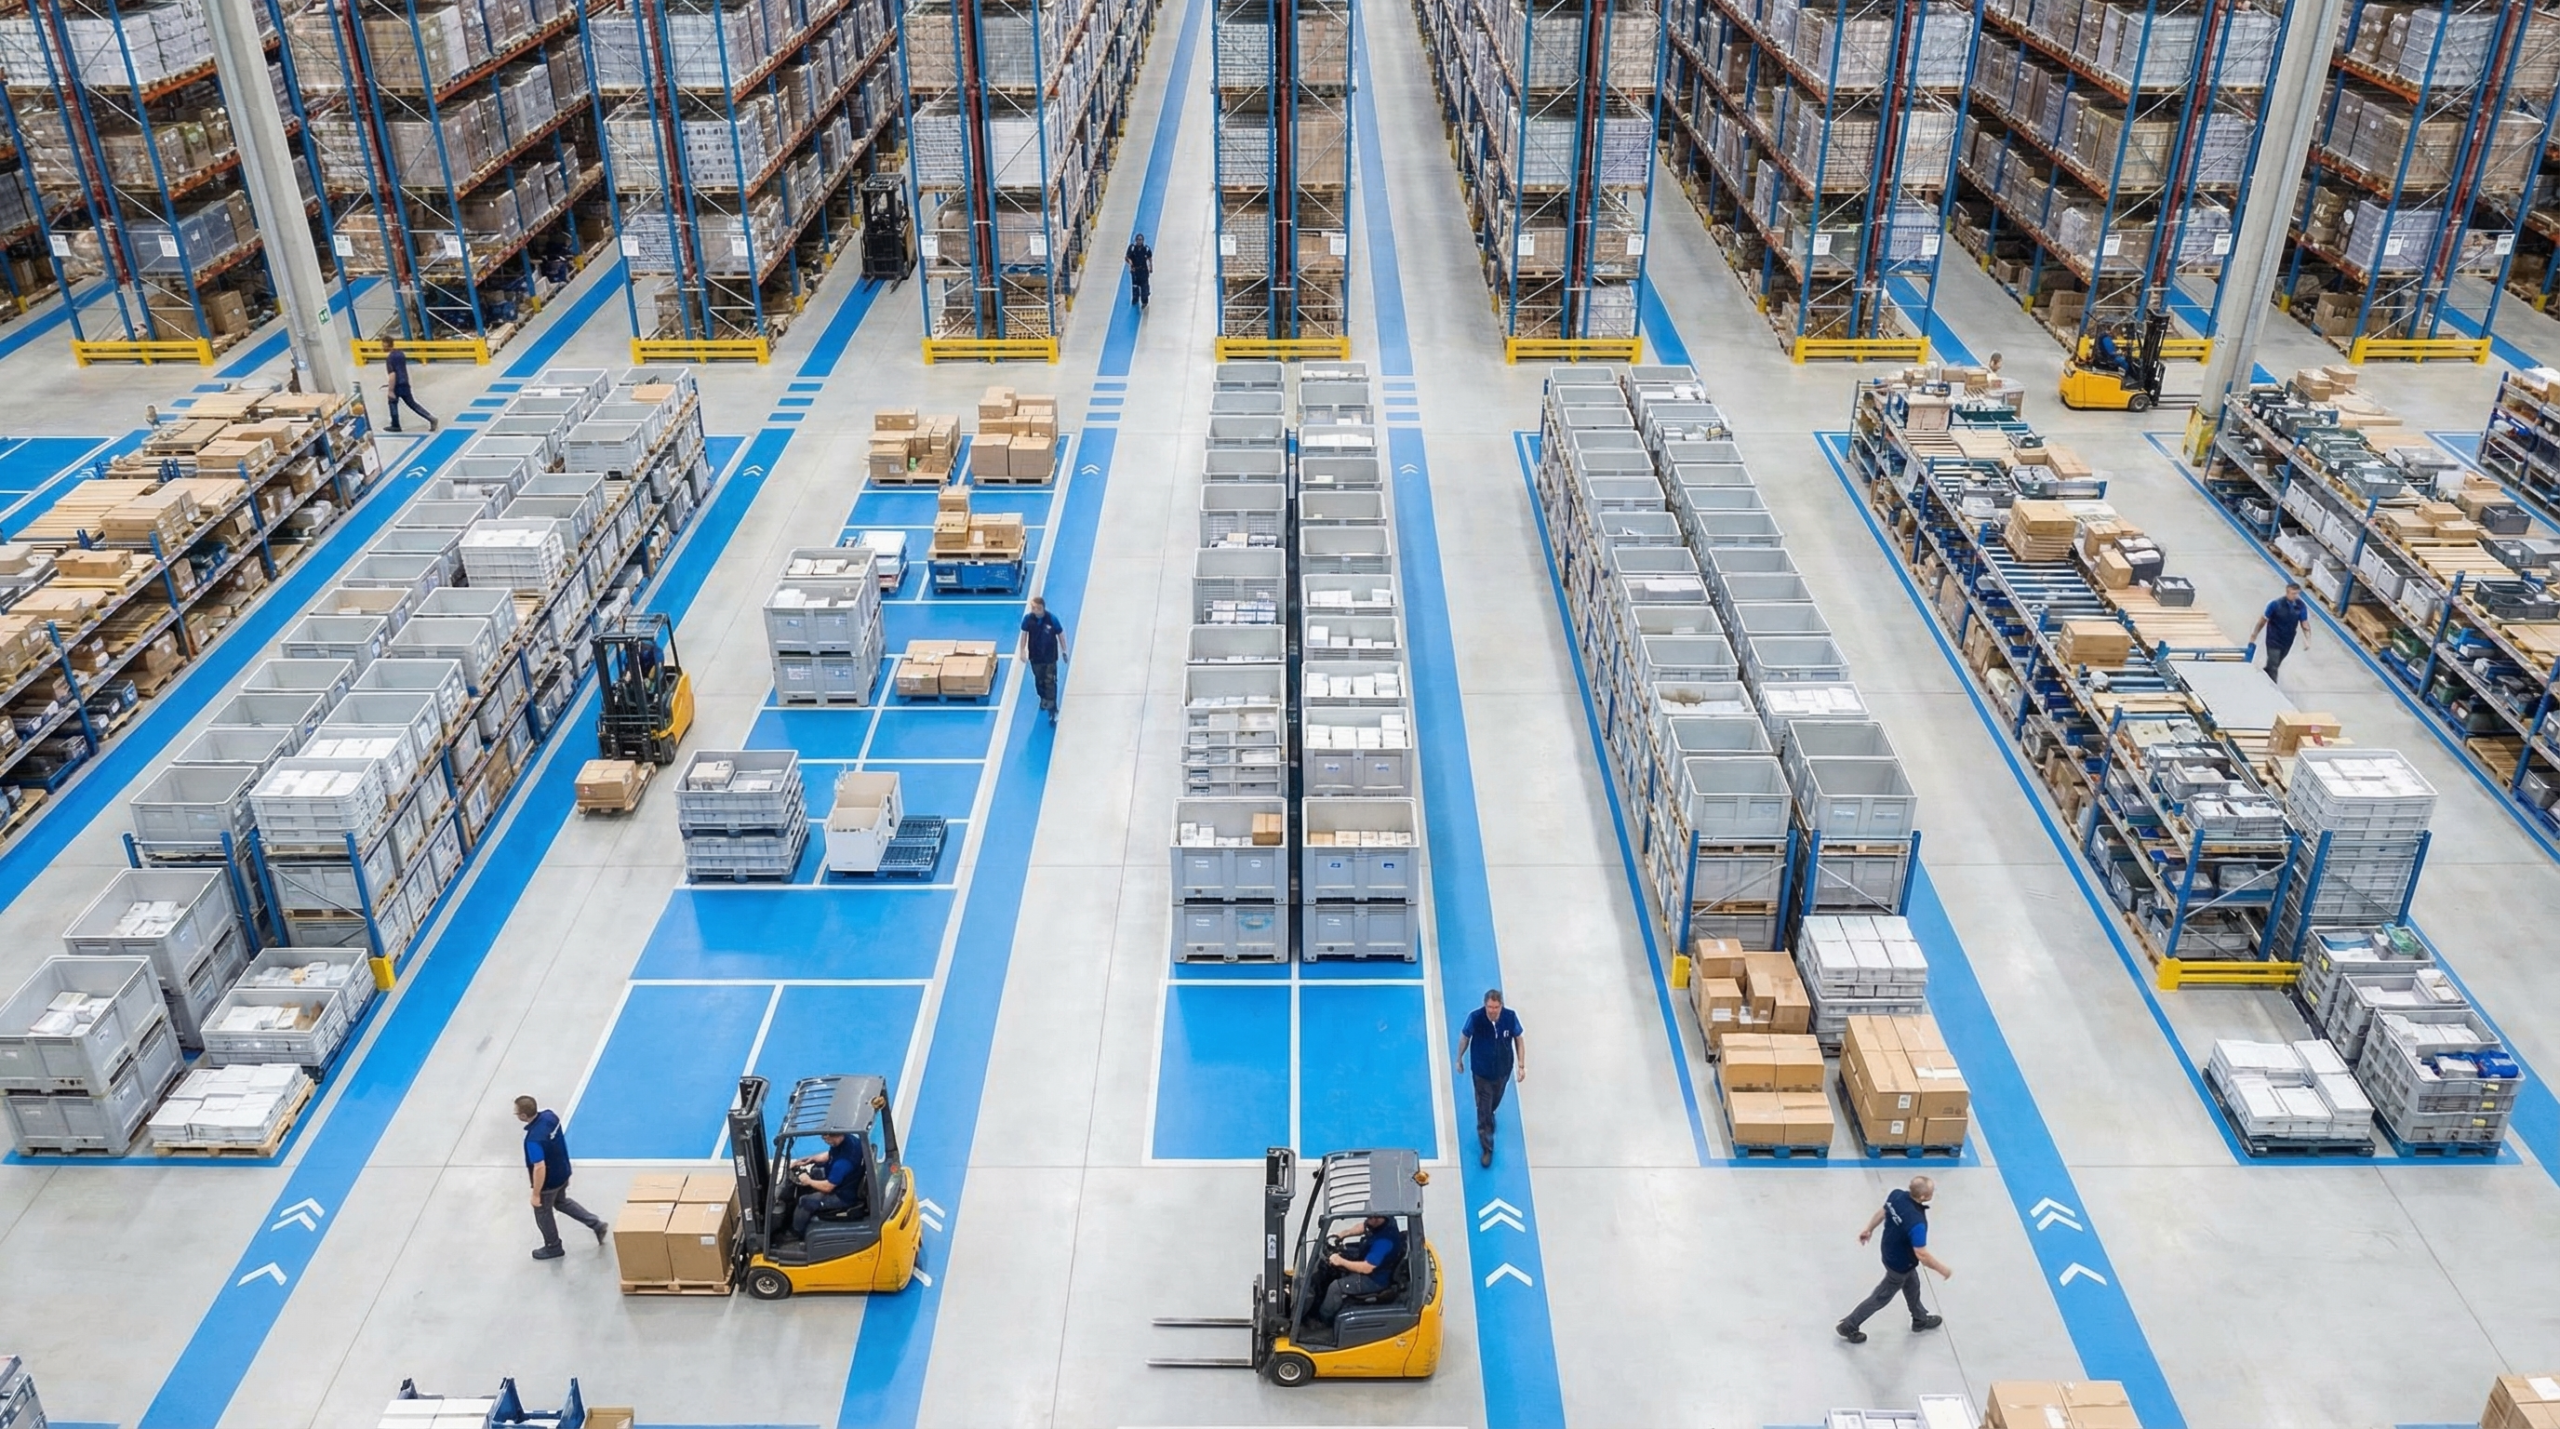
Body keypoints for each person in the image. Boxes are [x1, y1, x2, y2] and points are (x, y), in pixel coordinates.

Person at [1836, 1175, 1951, 1343]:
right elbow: (1922, 1254)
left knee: (1912, 1284)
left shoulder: (1896, 1196)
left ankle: (1919, 1318)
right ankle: (1849, 1325)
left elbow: (1883, 1212)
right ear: (1923, 1197)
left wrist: (1869, 1229)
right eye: (1932, 1191)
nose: (1933, 1193)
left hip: (1890, 1250)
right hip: (1899, 1264)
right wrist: (1942, 1270)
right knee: (1881, 1296)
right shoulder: (1917, 1223)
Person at [516, 1096, 605, 1261]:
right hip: (563, 1171)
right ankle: (596, 1224)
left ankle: (553, 1246)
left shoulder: (533, 1140)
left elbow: (539, 1167)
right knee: (561, 1202)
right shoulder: (550, 1116)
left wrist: (536, 1194)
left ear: (523, 1116)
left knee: (543, 1212)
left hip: (549, 1183)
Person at [1453, 988, 1526, 1168]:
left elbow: (1519, 1039)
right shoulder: (1475, 1018)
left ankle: (1490, 1113)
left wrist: (1521, 1064)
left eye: (1495, 1007)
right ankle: (1487, 1147)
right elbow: (1464, 1038)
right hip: (1482, 1073)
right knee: (1484, 1110)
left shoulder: (1510, 1017)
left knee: (1494, 1101)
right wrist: (1459, 1058)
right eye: (1489, 1007)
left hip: (1503, 1071)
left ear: (1501, 1006)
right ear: (1485, 1005)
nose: (1492, 1011)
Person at [1315, 1215, 1402, 1328]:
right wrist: (1343, 1234)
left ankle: (1323, 1321)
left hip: (1375, 1279)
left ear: (1379, 1217)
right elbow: (1364, 1226)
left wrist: (1341, 1261)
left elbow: (1367, 1268)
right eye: (1369, 1216)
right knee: (1338, 1262)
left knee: (1335, 1287)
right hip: (1373, 1265)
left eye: (1373, 1217)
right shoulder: (1386, 1221)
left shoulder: (1384, 1242)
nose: (1370, 1220)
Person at [788, 1130, 865, 1239]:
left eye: (825, 1138)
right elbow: (831, 1155)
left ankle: (796, 1233)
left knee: (805, 1201)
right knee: (815, 1170)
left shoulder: (843, 1163)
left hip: (842, 1196)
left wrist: (808, 1181)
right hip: (846, 1182)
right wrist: (812, 1159)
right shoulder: (848, 1139)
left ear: (830, 1136)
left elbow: (828, 1187)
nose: (824, 1140)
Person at [2249, 580, 2312, 681]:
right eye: (2293, 593)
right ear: (2287, 592)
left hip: (2287, 641)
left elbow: (2304, 623)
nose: (2295, 596)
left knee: (2275, 664)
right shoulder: (2275, 605)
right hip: (2273, 639)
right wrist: (2254, 635)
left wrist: (2308, 639)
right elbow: (2262, 621)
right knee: (2274, 666)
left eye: (2297, 594)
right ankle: (2272, 687)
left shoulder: (2300, 606)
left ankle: (2262, 676)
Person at [1019, 595, 1067, 725]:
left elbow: (1060, 633)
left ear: (1040, 608)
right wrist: (1022, 650)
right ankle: (1043, 698)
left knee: (1050, 681)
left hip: (1050, 657)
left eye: (1034, 608)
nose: (1032, 610)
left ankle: (1053, 709)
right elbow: (1024, 635)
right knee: (1039, 680)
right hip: (1035, 657)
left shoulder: (1052, 619)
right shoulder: (1028, 619)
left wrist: (1064, 650)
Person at [380, 336, 437, 433]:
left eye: (382, 344)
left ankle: (395, 425)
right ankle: (431, 418)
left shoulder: (390, 358)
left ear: (386, 344)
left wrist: (390, 390)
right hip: (405, 382)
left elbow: (393, 374)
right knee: (412, 404)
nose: (381, 347)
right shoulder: (400, 354)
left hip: (397, 384)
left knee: (392, 402)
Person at [1125, 232, 1153, 311]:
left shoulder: (1146, 249)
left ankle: (1145, 300)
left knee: (1144, 287)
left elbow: (1150, 258)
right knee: (1135, 286)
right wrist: (1130, 263)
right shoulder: (1132, 248)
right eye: (1138, 240)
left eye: (1140, 240)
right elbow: (1127, 257)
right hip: (1135, 271)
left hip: (1143, 271)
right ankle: (1135, 298)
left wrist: (1151, 267)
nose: (1139, 241)